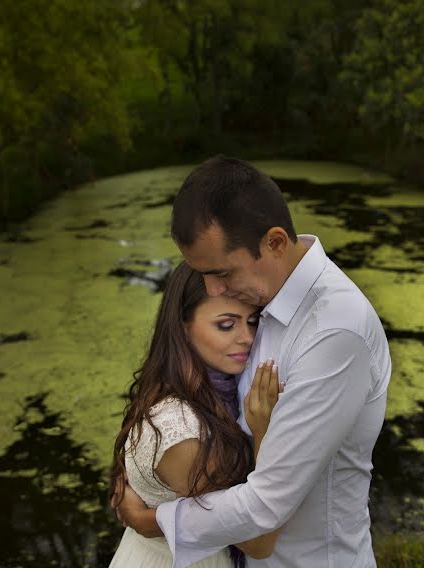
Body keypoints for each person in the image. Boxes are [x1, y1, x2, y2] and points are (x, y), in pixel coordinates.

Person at [115, 156, 392, 567]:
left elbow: (265, 506)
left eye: (222, 273)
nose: (212, 289)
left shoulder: (334, 331)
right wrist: (144, 470)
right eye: (203, 274)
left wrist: (154, 517)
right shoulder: (261, 298)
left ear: (275, 243)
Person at [108, 260, 283, 567]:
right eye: (226, 325)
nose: (247, 337)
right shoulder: (183, 431)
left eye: (253, 322)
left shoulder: (190, 388)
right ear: (183, 328)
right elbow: (257, 541)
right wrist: (264, 433)